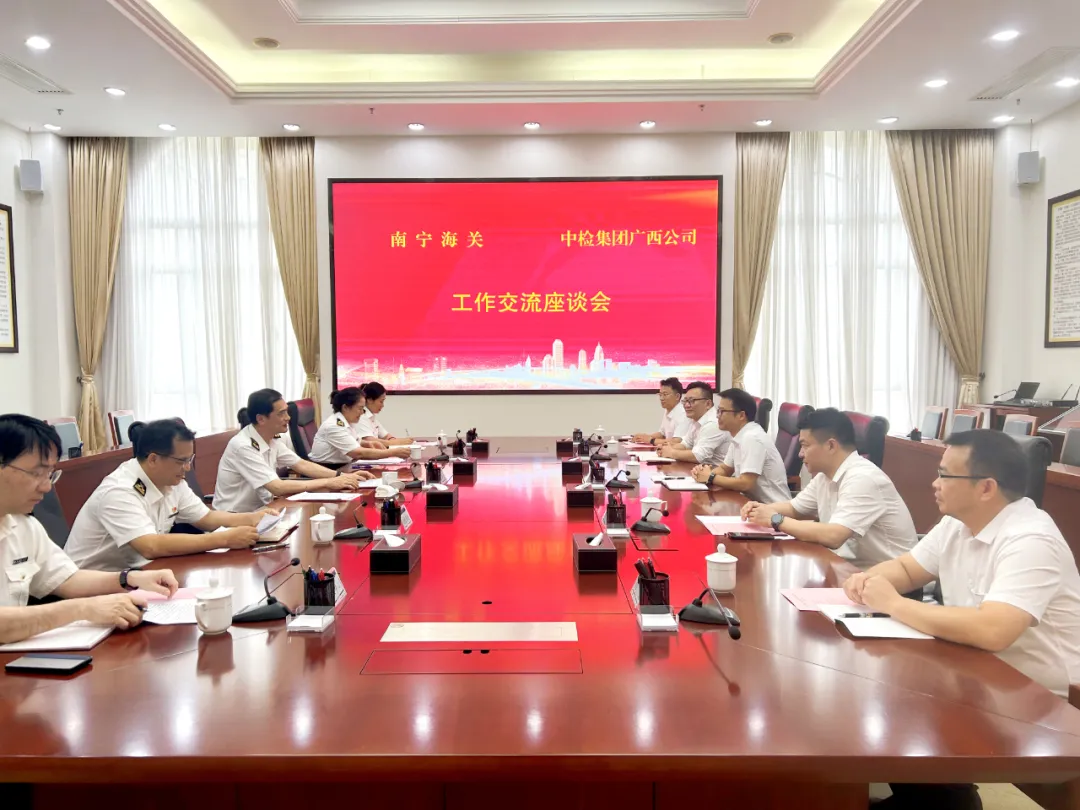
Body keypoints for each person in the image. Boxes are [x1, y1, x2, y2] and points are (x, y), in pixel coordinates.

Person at [845, 430, 1080, 697]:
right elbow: (907, 569)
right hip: (981, 675)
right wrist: (868, 581)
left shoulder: (1032, 540)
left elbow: (993, 630)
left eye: (944, 476)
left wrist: (893, 603)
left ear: (986, 488)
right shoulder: (956, 523)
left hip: (1048, 699)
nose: (935, 484)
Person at [0, 414, 177, 644]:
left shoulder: (24, 526)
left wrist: (129, 579)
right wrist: (82, 609)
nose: (46, 487)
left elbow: (67, 579)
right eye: (36, 473)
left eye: (50, 474)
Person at [65, 420, 272, 571]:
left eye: (190, 459)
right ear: (153, 459)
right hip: (90, 587)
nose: (187, 468)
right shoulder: (120, 491)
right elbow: (150, 546)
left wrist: (252, 518)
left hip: (136, 575)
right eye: (181, 461)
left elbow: (207, 518)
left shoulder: (172, 481)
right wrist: (224, 539)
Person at [741, 408, 916, 569]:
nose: (800, 453)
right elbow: (795, 508)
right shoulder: (824, 476)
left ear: (831, 445)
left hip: (890, 582)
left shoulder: (863, 478)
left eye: (805, 445)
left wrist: (776, 519)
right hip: (849, 571)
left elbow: (834, 536)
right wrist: (760, 509)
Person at [213, 388, 373, 513]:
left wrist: (342, 476)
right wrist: (329, 482)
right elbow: (277, 487)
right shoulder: (244, 446)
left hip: (265, 510)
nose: (288, 418)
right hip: (234, 519)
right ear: (261, 419)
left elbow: (301, 464)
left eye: (287, 411)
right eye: (281, 413)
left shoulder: (273, 438)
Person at [691, 388, 791, 504]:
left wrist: (710, 477)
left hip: (773, 509)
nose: (717, 416)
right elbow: (725, 469)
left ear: (741, 415)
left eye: (722, 411)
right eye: (718, 411)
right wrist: (703, 474)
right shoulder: (739, 435)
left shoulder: (752, 438)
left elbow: (745, 484)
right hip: (752, 504)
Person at [310, 388, 411, 466]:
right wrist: (392, 452)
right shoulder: (334, 426)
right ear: (345, 407)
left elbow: (354, 441)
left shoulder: (347, 422)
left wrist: (368, 443)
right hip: (327, 470)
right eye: (360, 408)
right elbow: (358, 453)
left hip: (343, 466)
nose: (362, 413)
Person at [656, 381, 731, 465]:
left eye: (692, 401)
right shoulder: (696, 419)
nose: (686, 405)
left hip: (716, 471)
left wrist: (671, 452)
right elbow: (686, 444)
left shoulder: (713, 423)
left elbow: (698, 456)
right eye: (685, 401)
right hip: (700, 469)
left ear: (708, 404)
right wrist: (666, 448)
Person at [632, 377, 690, 445]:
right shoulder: (668, 410)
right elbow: (662, 434)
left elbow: (677, 441)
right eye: (660, 395)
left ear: (677, 396)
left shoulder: (683, 413)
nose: (661, 398)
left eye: (665, 394)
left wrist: (651, 440)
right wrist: (644, 437)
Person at [357, 382, 411, 447]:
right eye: (381, 401)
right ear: (369, 400)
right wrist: (397, 442)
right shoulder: (361, 416)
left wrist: (393, 440)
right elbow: (370, 441)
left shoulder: (372, 417)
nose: (383, 405)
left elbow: (386, 435)